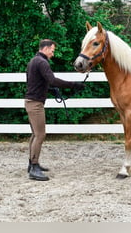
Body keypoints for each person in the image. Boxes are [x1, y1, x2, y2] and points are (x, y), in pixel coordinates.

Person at [25, 39, 85, 181]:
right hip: (35, 104)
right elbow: (52, 79)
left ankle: (33, 164)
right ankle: (33, 167)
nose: (53, 53)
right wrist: (73, 85)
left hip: (32, 102)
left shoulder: (34, 61)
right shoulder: (42, 62)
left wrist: (50, 90)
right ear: (45, 49)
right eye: (52, 50)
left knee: (35, 134)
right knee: (40, 135)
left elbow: (37, 81)